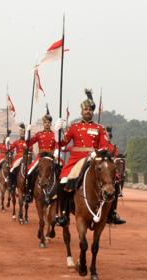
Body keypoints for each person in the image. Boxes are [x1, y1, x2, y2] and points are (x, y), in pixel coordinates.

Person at [54, 89, 109, 227]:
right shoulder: (74, 127)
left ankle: (111, 213)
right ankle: (63, 214)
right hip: (76, 160)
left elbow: (105, 145)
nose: (88, 112)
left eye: (90, 109)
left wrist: (98, 153)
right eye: (85, 109)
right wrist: (57, 132)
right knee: (63, 181)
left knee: (112, 182)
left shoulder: (99, 128)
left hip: (94, 159)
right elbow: (63, 142)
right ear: (81, 111)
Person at [24, 106, 58, 203]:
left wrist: (55, 153)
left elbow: (58, 145)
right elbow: (28, 143)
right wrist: (27, 133)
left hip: (51, 157)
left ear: (51, 123)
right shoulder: (39, 134)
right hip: (41, 157)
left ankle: (59, 192)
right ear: (43, 123)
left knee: (60, 170)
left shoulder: (54, 135)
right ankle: (29, 192)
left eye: (49, 122)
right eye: (45, 122)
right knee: (29, 172)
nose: (47, 124)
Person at [105, 126, 126, 224]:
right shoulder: (99, 146)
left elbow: (116, 159)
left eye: (108, 136)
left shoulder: (113, 147)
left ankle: (113, 212)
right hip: (101, 170)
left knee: (117, 184)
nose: (107, 138)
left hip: (110, 170)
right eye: (106, 136)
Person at [8, 123, 28, 192]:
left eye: (23, 132)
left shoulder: (28, 142)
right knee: (11, 170)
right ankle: (12, 185)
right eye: (21, 132)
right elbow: (9, 148)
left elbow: (31, 149)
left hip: (26, 158)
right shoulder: (16, 142)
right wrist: (8, 138)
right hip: (18, 158)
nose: (22, 134)